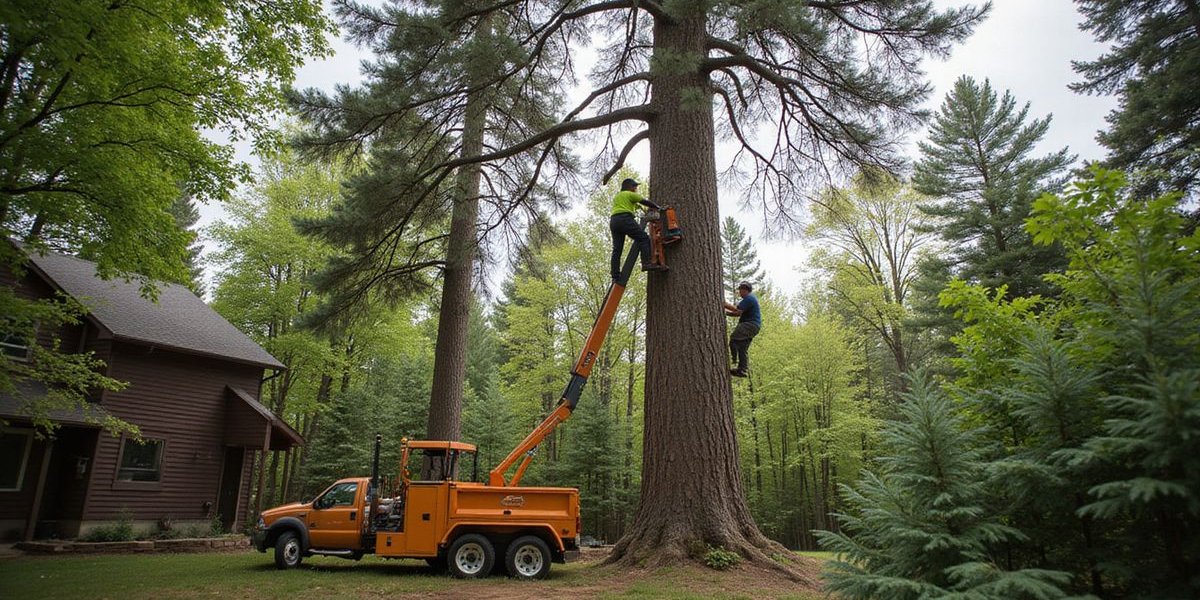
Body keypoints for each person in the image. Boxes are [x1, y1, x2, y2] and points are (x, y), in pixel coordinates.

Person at [611, 178, 668, 280]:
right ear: (629, 187)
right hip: (625, 219)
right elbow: (645, 202)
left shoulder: (618, 197)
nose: (636, 188)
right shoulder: (629, 194)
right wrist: (658, 207)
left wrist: (644, 211)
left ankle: (615, 275)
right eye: (634, 186)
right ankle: (647, 263)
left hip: (614, 221)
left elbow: (637, 206)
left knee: (617, 249)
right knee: (643, 238)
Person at [723, 281, 761, 377]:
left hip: (750, 324)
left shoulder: (749, 298)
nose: (739, 292)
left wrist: (724, 305)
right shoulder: (750, 299)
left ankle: (734, 360)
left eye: (740, 290)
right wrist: (726, 312)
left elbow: (737, 311)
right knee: (742, 348)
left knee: (734, 339)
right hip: (754, 327)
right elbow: (738, 313)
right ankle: (742, 370)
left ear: (745, 290)